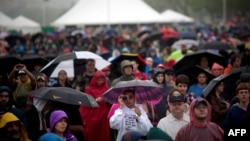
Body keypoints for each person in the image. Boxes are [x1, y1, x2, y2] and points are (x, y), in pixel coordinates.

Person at [79, 71, 110, 141]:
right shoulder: (89, 89)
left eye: (102, 79)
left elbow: (110, 102)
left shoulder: (106, 89)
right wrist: (95, 101)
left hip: (104, 118)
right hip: (92, 117)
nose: (101, 81)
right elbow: (85, 105)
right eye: (99, 79)